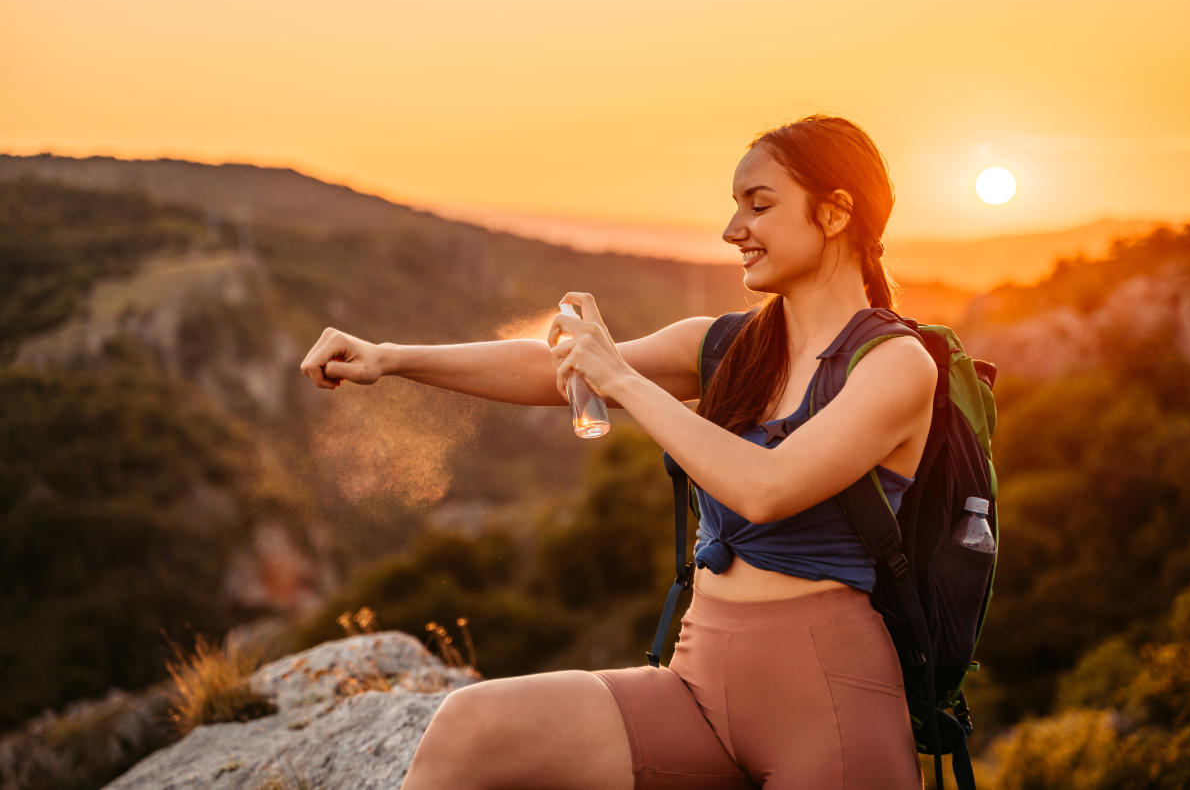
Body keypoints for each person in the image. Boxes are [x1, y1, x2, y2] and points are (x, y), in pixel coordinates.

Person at [298, 114, 934, 789]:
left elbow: (767, 488)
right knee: (471, 729)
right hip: (697, 687)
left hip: (828, 712)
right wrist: (390, 357)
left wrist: (621, 379)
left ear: (836, 213)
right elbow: (551, 369)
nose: (732, 230)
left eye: (759, 205)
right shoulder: (724, 345)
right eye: (733, 206)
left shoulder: (895, 365)